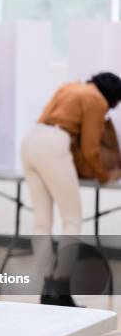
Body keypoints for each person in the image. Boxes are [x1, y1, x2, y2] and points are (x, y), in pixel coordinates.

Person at [21, 72, 121, 306]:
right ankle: (62, 289)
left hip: (30, 141)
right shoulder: (97, 100)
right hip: (54, 145)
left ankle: (47, 290)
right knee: (72, 218)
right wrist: (105, 176)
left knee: (42, 221)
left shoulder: (70, 87)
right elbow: (90, 150)